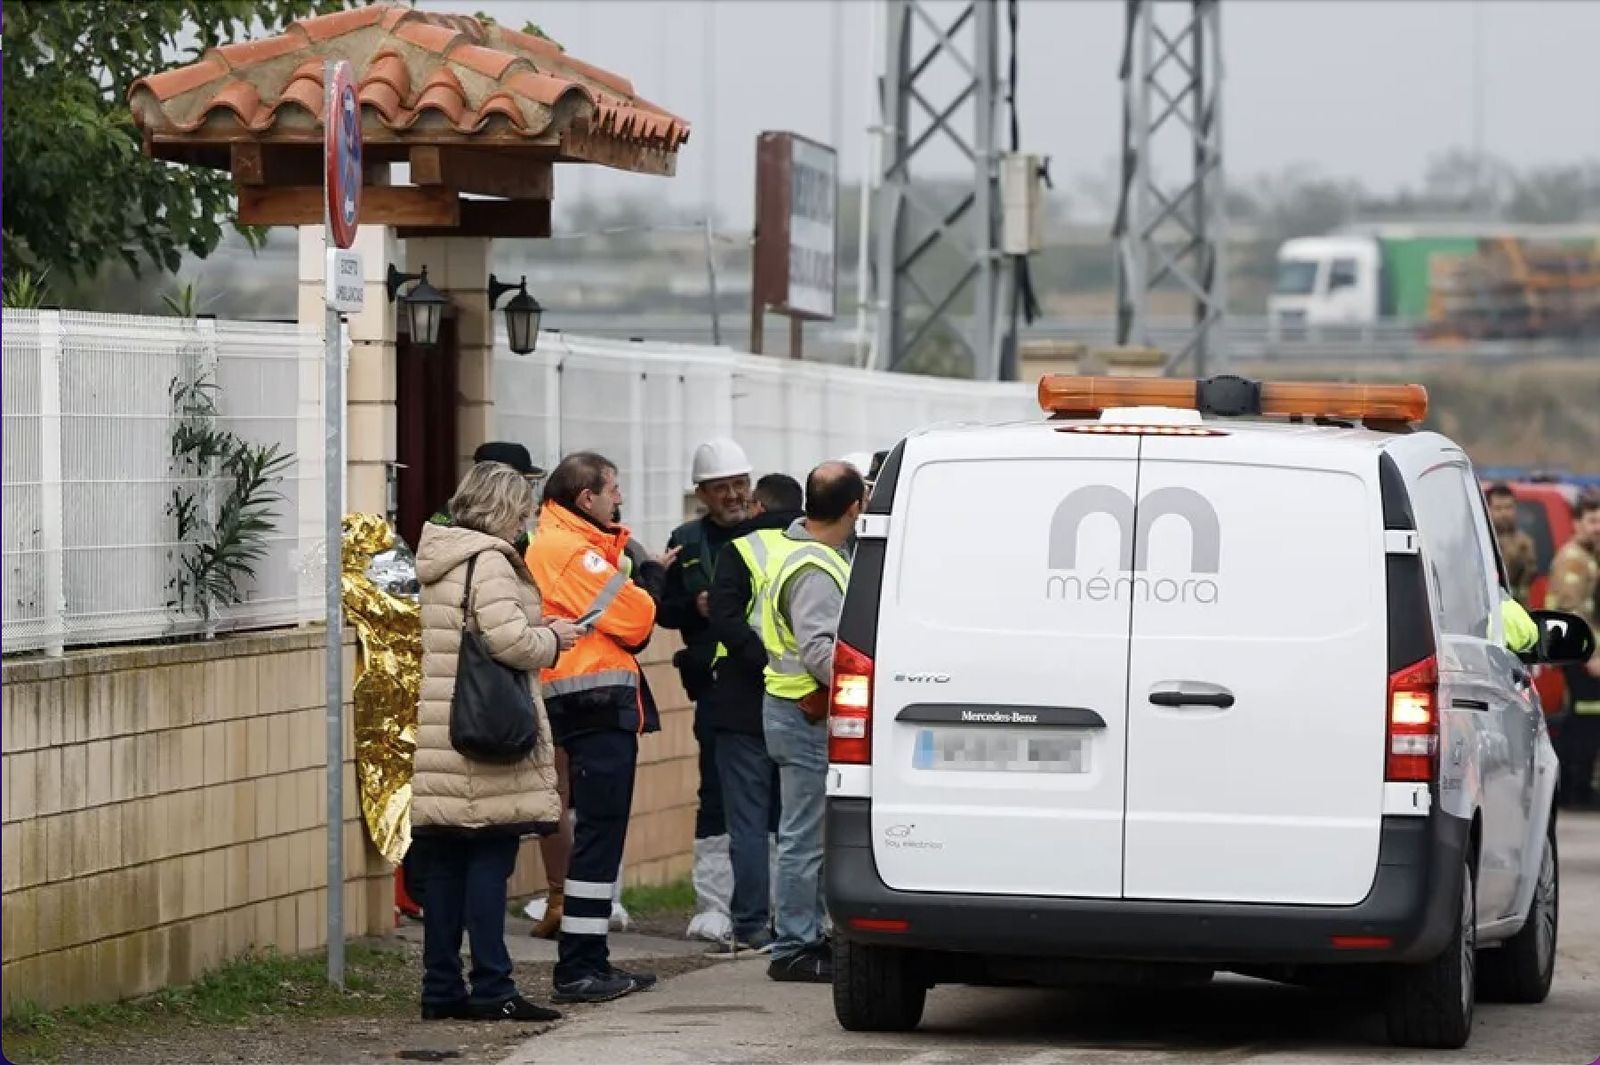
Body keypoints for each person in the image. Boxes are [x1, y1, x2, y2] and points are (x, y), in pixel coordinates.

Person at [411, 461, 581, 1023]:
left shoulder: (440, 555)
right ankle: (492, 986)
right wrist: (553, 639)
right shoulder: (488, 560)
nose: (527, 522)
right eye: (522, 511)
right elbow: (507, 640)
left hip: (445, 731)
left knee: (444, 867)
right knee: (488, 859)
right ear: (503, 509)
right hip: (487, 736)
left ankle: (440, 988)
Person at [525, 451, 677, 1003]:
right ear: (585, 498)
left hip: (590, 702)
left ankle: (589, 961)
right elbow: (638, 619)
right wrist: (646, 579)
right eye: (612, 489)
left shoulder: (570, 544)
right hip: (591, 704)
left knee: (598, 836)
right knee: (598, 836)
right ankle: (581, 967)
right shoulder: (570, 550)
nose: (620, 498)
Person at [759, 461, 865, 983]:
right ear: (854, 508)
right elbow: (820, 652)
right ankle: (792, 947)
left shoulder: (814, 554)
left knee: (808, 833)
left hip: (796, 712)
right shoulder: (816, 569)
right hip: (802, 715)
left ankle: (804, 932)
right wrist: (873, 675)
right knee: (803, 836)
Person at [703, 473, 806, 956]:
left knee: (746, 820)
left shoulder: (740, 549)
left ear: (760, 506)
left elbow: (722, 617)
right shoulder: (824, 551)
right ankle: (800, 924)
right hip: (805, 699)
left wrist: (760, 658)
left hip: (743, 699)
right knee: (798, 821)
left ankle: (750, 924)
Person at [657, 438, 755, 940]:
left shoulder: (770, 533)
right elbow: (662, 610)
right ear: (703, 493)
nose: (734, 495)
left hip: (767, 682)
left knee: (774, 794)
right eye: (723, 488)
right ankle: (714, 904)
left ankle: (767, 904)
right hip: (714, 688)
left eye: (740, 484)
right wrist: (690, 608)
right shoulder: (687, 540)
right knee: (714, 790)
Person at [1549, 495, 1600, 808]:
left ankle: (1579, 787)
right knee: (1582, 723)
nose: (1597, 528)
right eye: (1592, 521)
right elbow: (1574, 610)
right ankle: (1574, 790)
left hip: (1581, 652)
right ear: (1578, 523)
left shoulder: (1589, 556)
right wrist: (1590, 656)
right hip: (1577, 653)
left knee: (1587, 722)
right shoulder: (1574, 559)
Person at [1487, 484, 1538, 607]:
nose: (1504, 513)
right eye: (1498, 508)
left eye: (1508, 507)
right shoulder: (1481, 543)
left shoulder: (1525, 544)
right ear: (1488, 509)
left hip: (1517, 610)